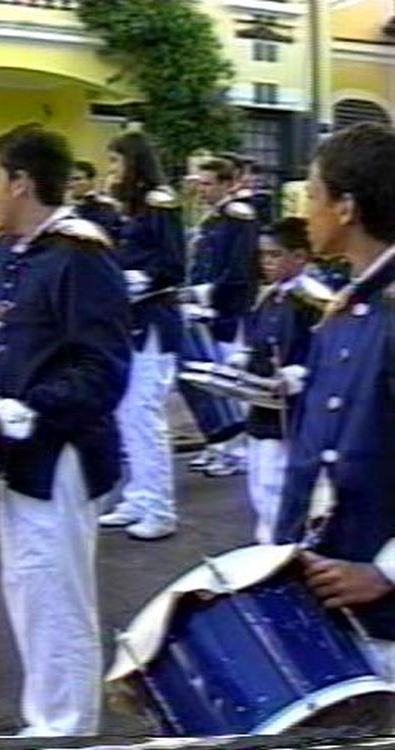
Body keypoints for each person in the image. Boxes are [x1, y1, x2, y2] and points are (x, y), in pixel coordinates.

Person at [0, 124, 131, 736]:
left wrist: (17, 414)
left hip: (61, 454)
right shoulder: (31, 255)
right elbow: (26, 357)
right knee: (30, 590)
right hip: (27, 450)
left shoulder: (80, 254)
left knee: (57, 598)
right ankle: (48, 718)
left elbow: (102, 371)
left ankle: (67, 727)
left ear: (21, 182)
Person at [274, 123, 395, 708]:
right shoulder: (349, 307)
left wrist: (388, 572)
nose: (305, 210)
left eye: (312, 194)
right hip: (332, 595)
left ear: (346, 207)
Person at [97, 132, 185, 541]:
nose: (111, 171)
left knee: (144, 415)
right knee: (127, 414)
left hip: (153, 320)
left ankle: (160, 507)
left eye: (116, 163)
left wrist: (141, 280)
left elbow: (173, 264)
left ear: (134, 163)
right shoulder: (130, 209)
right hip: (131, 320)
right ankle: (138, 496)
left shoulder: (158, 204)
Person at [237, 218, 327, 543]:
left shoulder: (313, 300)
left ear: (300, 257)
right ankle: (268, 546)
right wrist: (244, 362)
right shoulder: (268, 297)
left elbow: (325, 354)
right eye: (263, 255)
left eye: (275, 255)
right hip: (262, 406)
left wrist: (297, 375)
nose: (267, 262)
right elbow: (258, 343)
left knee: (280, 486)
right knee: (258, 484)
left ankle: (283, 553)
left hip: (293, 411)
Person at [181, 157, 260, 477]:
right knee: (207, 376)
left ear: (229, 185)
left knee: (229, 378)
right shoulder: (212, 219)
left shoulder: (239, 218)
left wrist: (205, 292)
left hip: (229, 308)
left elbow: (239, 270)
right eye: (200, 183)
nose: (202, 189)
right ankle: (218, 444)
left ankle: (238, 450)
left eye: (208, 183)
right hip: (205, 308)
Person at [68, 159, 124, 242]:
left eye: (77, 179)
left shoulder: (105, 206)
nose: (71, 184)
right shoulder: (63, 207)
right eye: (69, 180)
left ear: (92, 181)